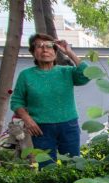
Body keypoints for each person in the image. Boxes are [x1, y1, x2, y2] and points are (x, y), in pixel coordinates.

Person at [10, 33, 89, 163]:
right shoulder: (26, 75)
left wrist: (69, 52)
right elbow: (16, 101)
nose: (45, 49)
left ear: (55, 51)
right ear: (33, 52)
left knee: (73, 164)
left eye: (49, 46)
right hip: (40, 128)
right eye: (39, 46)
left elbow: (85, 75)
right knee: (46, 167)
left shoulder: (66, 72)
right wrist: (27, 119)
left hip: (68, 125)